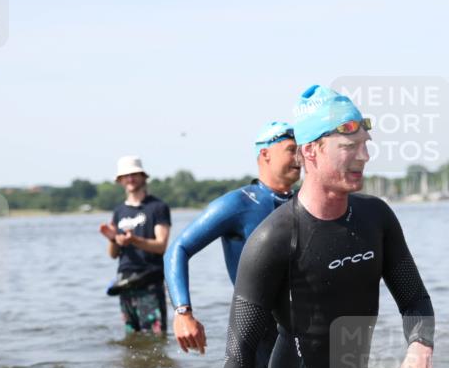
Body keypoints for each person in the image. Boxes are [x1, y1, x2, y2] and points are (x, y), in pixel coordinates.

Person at [222, 85, 436, 368]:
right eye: (349, 146)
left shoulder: (376, 218)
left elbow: (414, 299)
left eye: (365, 145)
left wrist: (419, 350)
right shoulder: (273, 239)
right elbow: (240, 350)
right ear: (312, 151)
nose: (363, 156)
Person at [164, 121, 299, 354]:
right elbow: (178, 248)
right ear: (265, 154)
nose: (299, 157)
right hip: (258, 334)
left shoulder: (306, 202)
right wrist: (183, 312)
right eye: (291, 150)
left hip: (303, 329)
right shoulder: (239, 204)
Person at [99, 156, 171, 335]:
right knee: (131, 335)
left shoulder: (158, 207)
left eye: (134, 174)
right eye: (126, 176)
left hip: (150, 278)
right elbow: (113, 255)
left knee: (156, 336)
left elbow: (161, 246)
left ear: (143, 176)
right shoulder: (119, 211)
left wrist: (134, 240)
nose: (130, 179)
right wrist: (113, 239)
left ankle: (156, 364)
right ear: (120, 180)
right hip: (125, 280)